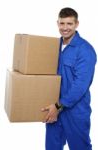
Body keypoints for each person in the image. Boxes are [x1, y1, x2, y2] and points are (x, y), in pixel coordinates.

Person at [42, 7, 97, 150]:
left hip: (75, 111)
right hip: (53, 108)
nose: (65, 28)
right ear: (57, 23)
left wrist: (58, 106)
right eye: (62, 23)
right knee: (52, 147)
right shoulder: (53, 46)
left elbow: (81, 85)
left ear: (77, 24)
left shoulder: (85, 50)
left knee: (80, 147)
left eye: (69, 24)